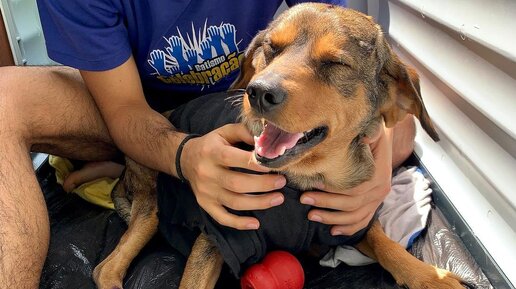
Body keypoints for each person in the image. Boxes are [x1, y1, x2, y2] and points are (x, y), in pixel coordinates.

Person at [0, 0, 415, 288]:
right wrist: (185, 155)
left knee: (398, 140)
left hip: (248, 104)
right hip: (129, 107)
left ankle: (123, 170)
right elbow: (125, 111)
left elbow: (369, 63)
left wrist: (378, 169)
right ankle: (129, 166)